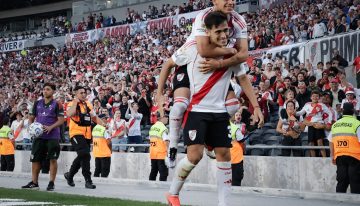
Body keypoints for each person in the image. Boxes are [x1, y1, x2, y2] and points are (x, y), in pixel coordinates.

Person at [166, 11, 263, 206]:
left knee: (224, 156)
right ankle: (173, 193)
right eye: (218, 31)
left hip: (219, 113)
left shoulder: (232, 53)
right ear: (207, 32)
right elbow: (168, 64)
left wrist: (256, 106)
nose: (223, 35)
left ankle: (223, 203)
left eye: (226, 31)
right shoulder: (193, 49)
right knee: (194, 157)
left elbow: (243, 78)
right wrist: (161, 93)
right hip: (197, 110)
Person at [22, 83, 65, 191]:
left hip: (53, 136)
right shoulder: (37, 103)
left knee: (52, 159)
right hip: (39, 136)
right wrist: (31, 127)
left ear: (53, 91)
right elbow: (31, 117)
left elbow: (61, 120)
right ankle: (34, 182)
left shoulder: (57, 104)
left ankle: (51, 183)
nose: (45, 91)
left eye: (48, 89)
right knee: (35, 159)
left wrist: (51, 127)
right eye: (44, 89)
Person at [64, 86, 105, 189]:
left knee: (83, 155)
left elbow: (94, 117)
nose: (83, 94)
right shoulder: (71, 104)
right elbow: (69, 114)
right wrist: (75, 102)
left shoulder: (88, 104)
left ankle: (70, 175)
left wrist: (103, 124)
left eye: (84, 93)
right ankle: (88, 180)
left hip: (87, 135)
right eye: (81, 93)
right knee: (85, 154)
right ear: (76, 94)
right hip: (76, 133)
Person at [328, 102, 360, 194]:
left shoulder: (336, 124)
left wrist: (332, 155)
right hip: (355, 157)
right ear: (352, 111)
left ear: (342, 111)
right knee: (355, 182)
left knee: (342, 182)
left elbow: (330, 140)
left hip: (340, 156)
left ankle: (339, 202)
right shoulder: (357, 123)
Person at [296, 90, 331, 157]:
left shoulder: (321, 105)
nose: (315, 97)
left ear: (319, 97)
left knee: (320, 142)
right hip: (310, 125)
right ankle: (313, 159)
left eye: (317, 96)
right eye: (313, 96)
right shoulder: (307, 105)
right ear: (311, 97)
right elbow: (300, 113)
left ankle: (324, 158)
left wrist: (329, 123)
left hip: (319, 125)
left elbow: (330, 113)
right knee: (311, 143)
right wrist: (294, 112)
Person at [149, 112, 169, 181]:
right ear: (160, 118)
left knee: (153, 172)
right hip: (161, 154)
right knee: (163, 173)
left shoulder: (153, 127)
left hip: (153, 153)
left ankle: (150, 187)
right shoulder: (163, 128)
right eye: (165, 117)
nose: (167, 118)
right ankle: (161, 189)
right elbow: (166, 141)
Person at [229, 111, 246, 186]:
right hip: (236, 156)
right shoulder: (235, 128)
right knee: (237, 177)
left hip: (224, 157)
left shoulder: (220, 128)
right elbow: (242, 141)